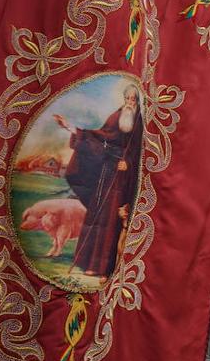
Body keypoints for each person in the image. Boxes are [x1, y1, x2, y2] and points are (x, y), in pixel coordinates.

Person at [56, 84, 144, 278]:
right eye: (127, 98)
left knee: (113, 218)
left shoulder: (139, 123)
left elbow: (140, 152)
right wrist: (71, 127)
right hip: (105, 173)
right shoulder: (116, 117)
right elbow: (98, 135)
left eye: (133, 99)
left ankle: (107, 269)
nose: (130, 102)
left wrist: (128, 163)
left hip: (123, 179)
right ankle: (91, 265)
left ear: (137, 102)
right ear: (123, 99)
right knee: (98, 215)